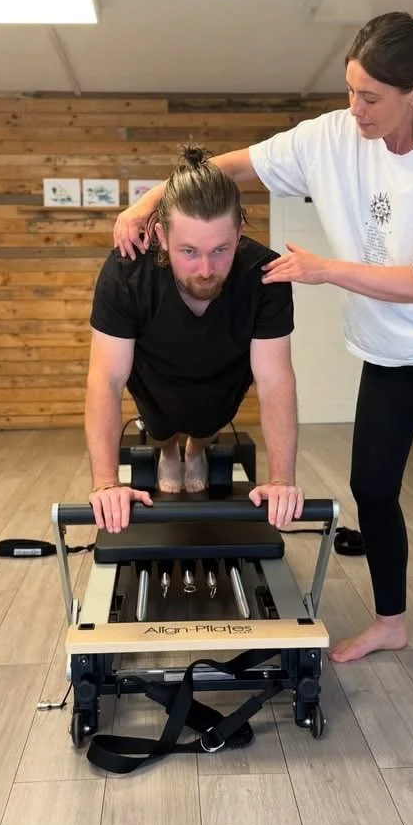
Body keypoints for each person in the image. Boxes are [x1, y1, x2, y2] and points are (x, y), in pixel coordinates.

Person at [112, 4, 413, 743]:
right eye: (349, 90)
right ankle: (391, 621)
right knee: (373, 488)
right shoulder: (333, 136)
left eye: (371, 96)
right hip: (390, 350)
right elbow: (233, 165)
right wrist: (152, 197)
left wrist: (321, 269)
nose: (355, 109)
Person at [85, 145, 305, 534]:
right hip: (154, 375)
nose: (206, 269)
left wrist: (282, 480)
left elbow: (275, 381)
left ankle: (197, 447)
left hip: (223, 375)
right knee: (161, 427)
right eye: (189, 251)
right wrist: (106, 483)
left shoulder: (265, 276)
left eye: (221, 249)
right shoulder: (126, 272)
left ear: (239, 232)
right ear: (160, 236)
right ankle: (169, 448)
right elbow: (106, 380)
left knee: (206, 423)